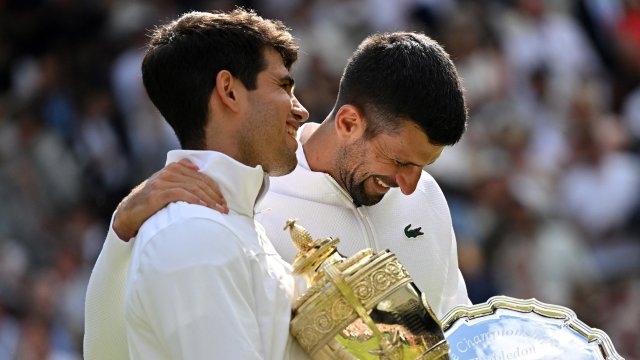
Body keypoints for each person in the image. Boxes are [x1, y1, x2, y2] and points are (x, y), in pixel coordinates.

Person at [87, 29, 471, 358]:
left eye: (424, 166)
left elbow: (457, 327)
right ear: (349, 122)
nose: (410, 185)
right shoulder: (225, 214)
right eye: (400, 162)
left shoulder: (427, 199)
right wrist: (120, 235)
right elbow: (114, 349)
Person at [83, 9, 310, 360]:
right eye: (283, 86)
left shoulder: (226, 221)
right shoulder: (195, 231)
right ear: (229, 91)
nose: (301, 111)